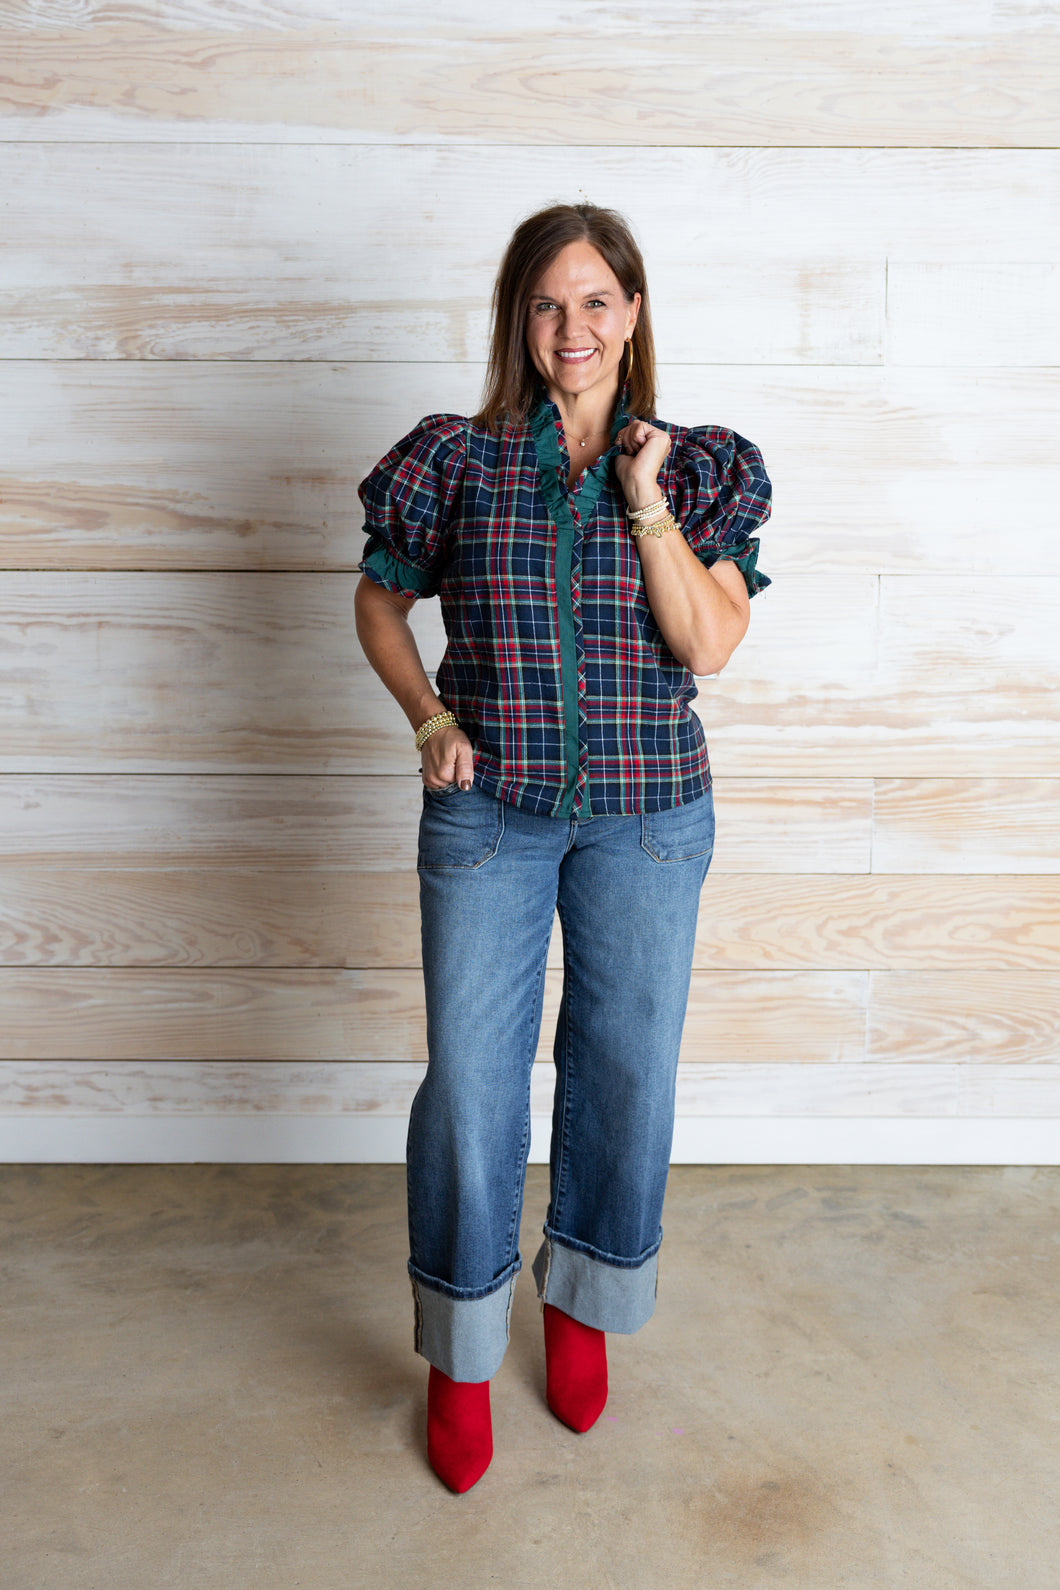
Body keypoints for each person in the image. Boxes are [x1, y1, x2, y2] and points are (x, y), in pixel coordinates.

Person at [354, 202, 771, 1493]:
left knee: (625, 1066)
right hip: (490, 818)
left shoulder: (701, 466)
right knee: (473, 1086)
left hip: (651, 817)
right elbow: (376, 599)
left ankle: (582, 1303)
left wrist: (643, 501)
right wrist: (428, 713)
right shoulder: (454, 459)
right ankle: (464, 1348)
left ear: (633, 313)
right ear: (516, 321)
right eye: (547, 304)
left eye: (596, 301)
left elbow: (705, 644)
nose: (572, 328)